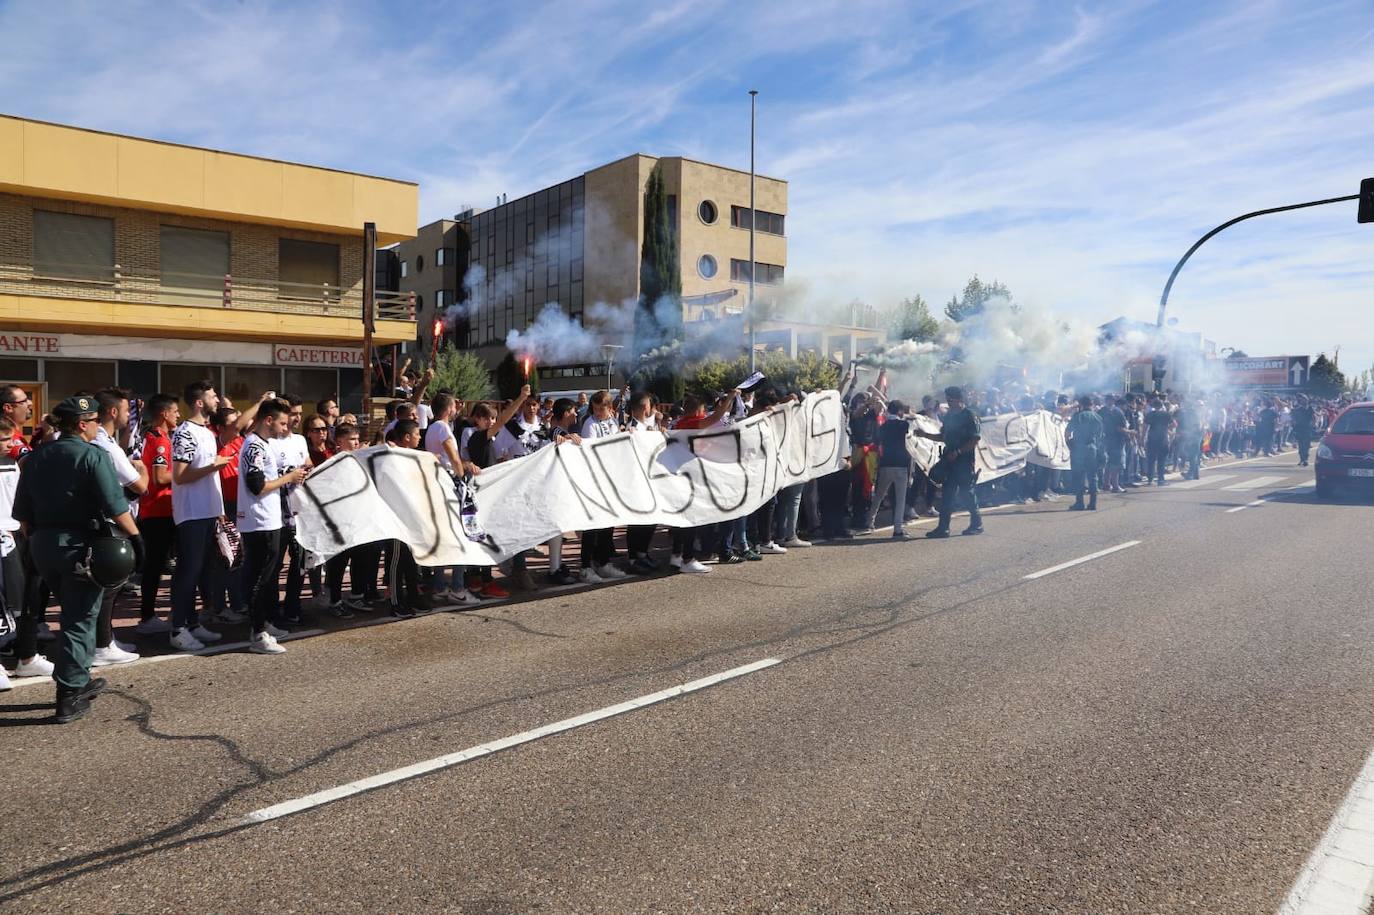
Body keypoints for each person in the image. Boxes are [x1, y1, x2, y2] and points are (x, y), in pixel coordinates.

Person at [13, 395, 141, 723]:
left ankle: (79, 679)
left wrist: (38, 546)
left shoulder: (36, 456)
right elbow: (116, 506)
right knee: (80, 616)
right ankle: (69, 693)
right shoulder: (92, 456)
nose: (98, 426)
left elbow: (23, 515)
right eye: (95, 421)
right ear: (82, 424)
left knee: (75, 612)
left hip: (42, 543)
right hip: (79, 544)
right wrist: (137, 540)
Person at [238, 400, 307, 655]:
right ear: (268, 420)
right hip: (258, 521)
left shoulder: (263, 444)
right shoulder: (254, 445)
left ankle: (264, 622)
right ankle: (257, 633)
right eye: (282, 422)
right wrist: (289, 478)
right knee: (259, 578)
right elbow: (256, 485)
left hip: (270, 518)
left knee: (267, 577)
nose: (284, 427)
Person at [169, 380, 229, 652]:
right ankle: (177, 628)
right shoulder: (184, 433)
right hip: (191, 513)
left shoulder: (206, 431)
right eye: (213, 396)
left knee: (200, 572)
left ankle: (192, 624)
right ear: (199, 402)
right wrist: (211, 466)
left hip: (207, 512)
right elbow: (180, 477)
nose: (217, 400)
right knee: (188, 572)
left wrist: (218, 511)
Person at [90, 388, 148, 665]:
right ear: (113, 412)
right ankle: (102, 645)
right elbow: (139, 485)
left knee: (107, 586)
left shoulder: (105, 442)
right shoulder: (106, 447)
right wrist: (144, 469)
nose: (128, 415)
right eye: (126, 410)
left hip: (105, 521)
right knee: (109, 586)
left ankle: (105, 639)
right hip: (112, 523)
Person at [915, 386, 983, 538]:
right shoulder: (950, 416)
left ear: (959, 399)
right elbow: (944, 436)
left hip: (964, 461)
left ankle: (977, 523)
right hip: (949, 461)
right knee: (947, 494)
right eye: (947, 399)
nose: (948, 402)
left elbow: (975, 439)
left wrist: (958, 452)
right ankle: (943, 528)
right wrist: (925, 435)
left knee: (967, 493)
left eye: (951, 399)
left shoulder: (969, 415)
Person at [135, 394, 178, 634]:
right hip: (158, 510)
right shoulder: (159, 440)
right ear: (164, 414)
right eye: (174, 411)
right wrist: (187, 472)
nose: (178, 415)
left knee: (158, 564)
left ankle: (151, 614)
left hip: (161, 510)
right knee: (154, 565)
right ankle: (148, 616)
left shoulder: (156, 437)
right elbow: (160, 477)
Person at [867, 399, 913, 538]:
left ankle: (869, 521)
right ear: (899, 411)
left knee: (879, 495)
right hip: (901, 464)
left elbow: (877, 441)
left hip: (885, 463)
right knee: (900, 499)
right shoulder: (904, 424)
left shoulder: (883, 426)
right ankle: (898, 529)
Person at [1065, 396, 1103, 511]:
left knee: (1078, 475)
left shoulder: (1078, 416)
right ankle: (1093, 503)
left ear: (1081, 404)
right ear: (1091, 405)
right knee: (1092, 476)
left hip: (1078, 448)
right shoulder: (1098, 417)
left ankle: (1079, 502)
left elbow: (1067, 432)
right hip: (1092, 448)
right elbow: (1100, 436)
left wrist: (1069, 445)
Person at [1292, 396, 1317, 467]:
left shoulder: (1310, 408)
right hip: (1299, 428)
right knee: (1300, 445)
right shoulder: (1298, 409)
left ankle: (1305, 459)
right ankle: (1301, 459)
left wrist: (1313, 424)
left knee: (1306, 445)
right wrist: (1294, 424)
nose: (1303, 401)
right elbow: (1294, 418)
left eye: (1304, 400)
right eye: (1302, 400)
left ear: (1307, 400)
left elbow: (1314, 417)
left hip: (1307, 428)